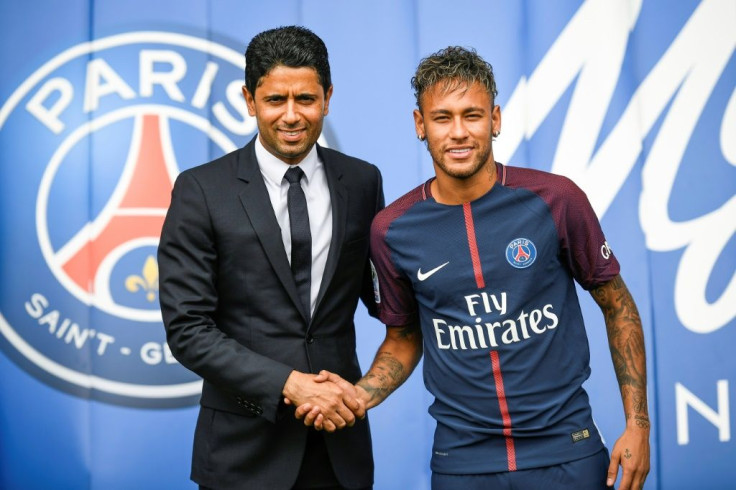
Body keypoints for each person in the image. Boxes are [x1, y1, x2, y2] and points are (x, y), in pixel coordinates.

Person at [299, 46, 650, 489]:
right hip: (462, 463)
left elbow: (618, 306)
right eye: (442, 118)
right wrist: (361, 393)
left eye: (473, 115)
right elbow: (405, 338)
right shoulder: (392, 230)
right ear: (420, 125)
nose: (459, 132)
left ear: (496, 119)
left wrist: (638, 425)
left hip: (568, 450)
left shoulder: (556, 199)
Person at [158, 25, 383, 490]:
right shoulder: (202, 190)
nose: (291, 115)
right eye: (275, 100)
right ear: (249, 99)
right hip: (244, 453)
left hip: (340, 448)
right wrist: (289, 383)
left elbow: (384, 297)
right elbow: (187, 329)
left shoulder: (362, 182)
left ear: (328, 97)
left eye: (305, 98)